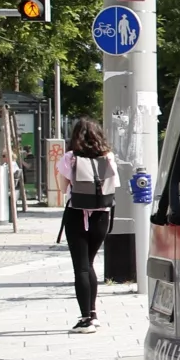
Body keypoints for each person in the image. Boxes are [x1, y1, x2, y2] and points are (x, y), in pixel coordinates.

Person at [59, 118, 116, 332]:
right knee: (89, 263)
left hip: (77, 215)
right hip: (102, 215)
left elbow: (62, 187)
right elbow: (114, 184)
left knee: (81, 267)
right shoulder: (108, 157)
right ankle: (93, 314)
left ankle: (85, 319)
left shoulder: (70, 158)